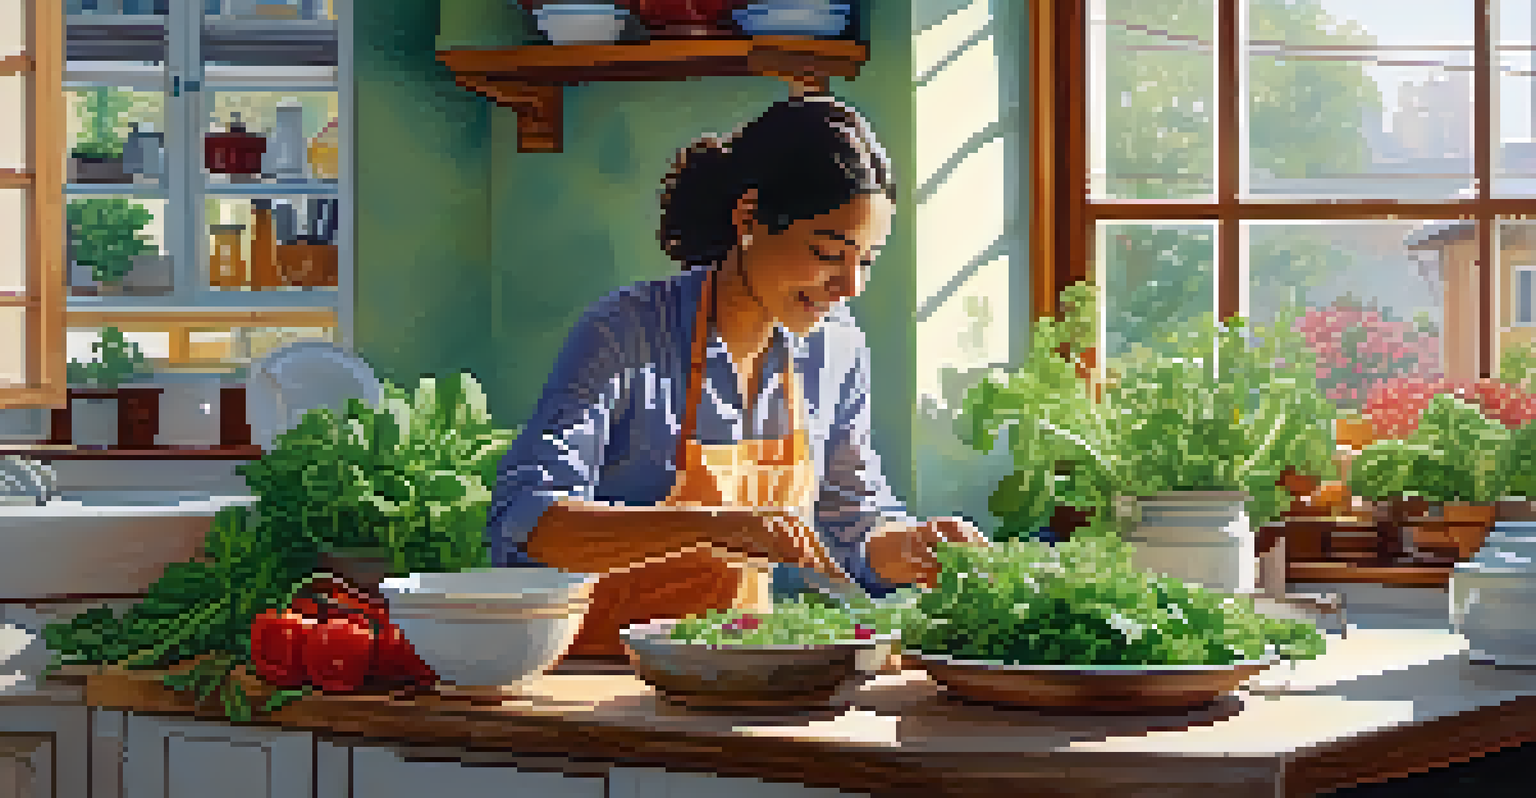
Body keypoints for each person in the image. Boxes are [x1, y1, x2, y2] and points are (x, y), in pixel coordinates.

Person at [486, 93, 988, 659]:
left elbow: (850, 530)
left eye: (867, 260)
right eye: (828, 253)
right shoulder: (625, 332)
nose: (850, 286)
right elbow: (526, 521)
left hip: (742, 680)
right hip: (598, 684)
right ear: (749, 218)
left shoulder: (837, 345)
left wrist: (913, 545)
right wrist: (716, 526)